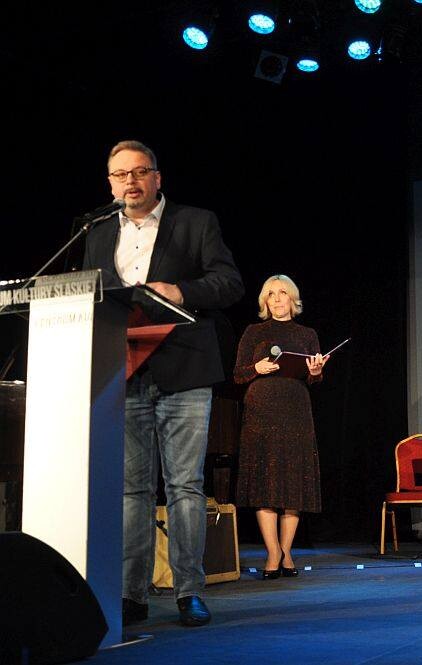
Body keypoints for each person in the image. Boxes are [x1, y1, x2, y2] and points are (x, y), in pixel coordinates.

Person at [83, 140, 244, 626]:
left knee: (184, 486)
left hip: (184, 369)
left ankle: (188, 591)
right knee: (131, 490)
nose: (130, 182)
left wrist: (182, 290)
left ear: (157, 177)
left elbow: (230, 283)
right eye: (120, 175)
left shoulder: (196, 222)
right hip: (124, 370)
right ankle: (130, 594)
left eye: (139, 172)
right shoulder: (95, 232)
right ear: (110, 184)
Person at [234, 275, 326, 579]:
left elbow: (314, 379)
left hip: (295, 411)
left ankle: (286, 551)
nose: (276, 298)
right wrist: (256, 367)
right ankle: (273, 552)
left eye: (282, 293)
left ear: (292, 299)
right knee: (265, 483)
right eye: (270, 294)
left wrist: (316, 370)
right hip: (261, 411)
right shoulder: (253, 331)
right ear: (264, 301)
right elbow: (237, 374)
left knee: (292, 483)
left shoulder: (307, 333)